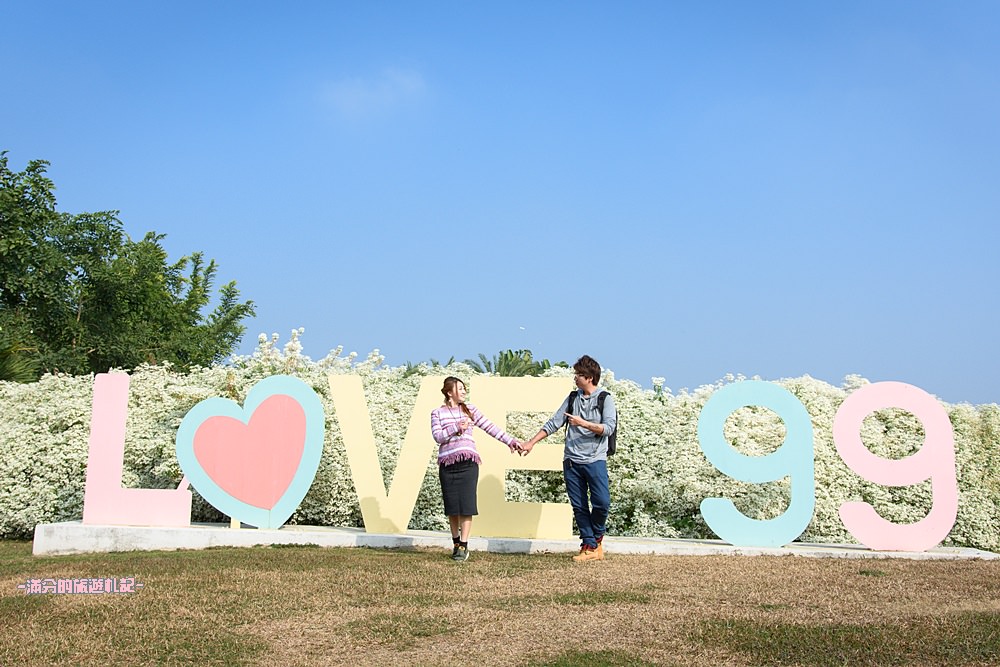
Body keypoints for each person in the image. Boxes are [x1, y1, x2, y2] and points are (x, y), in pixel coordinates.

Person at [519, 355, 616, 562]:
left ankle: (597, 538)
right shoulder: (573, 398)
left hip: (595, 460)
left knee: (601, 502)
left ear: (589, 377)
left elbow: (608, 428)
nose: (575, 378)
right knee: (579, 506)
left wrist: (583, 423)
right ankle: (589, 545)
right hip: (571, 460)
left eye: (579, 375)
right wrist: (531, 442)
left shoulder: (605, 398)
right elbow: (554, 423)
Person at [430, 376, 521, 561]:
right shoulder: (437, 413)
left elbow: (490, 427)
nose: (464, 392)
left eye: (465, 389)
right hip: (447, 464)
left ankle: (464, 545)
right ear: (449, 392)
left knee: (466, 505)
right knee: (452, 507)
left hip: (468, 463)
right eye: (460, 389)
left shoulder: (470, 410)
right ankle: (455, 542)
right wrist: (456, 427)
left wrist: (510, 441)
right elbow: (437, 437)